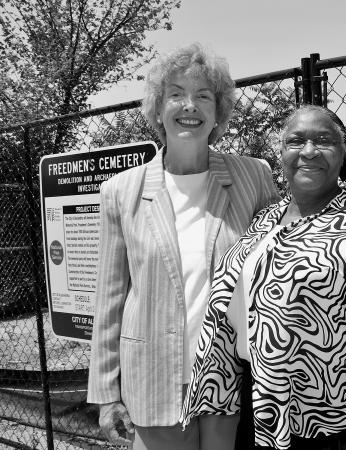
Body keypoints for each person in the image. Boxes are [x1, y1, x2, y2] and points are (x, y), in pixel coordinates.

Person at [181, 105, 346, 450]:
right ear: (281, 154)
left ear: (343, 153)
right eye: (296, 141)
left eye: (323, 140)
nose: (308, 151)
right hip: (254, 405)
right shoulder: (265, 220)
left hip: (327, 423)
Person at [87, 42, 279, 450]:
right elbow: (109, 299)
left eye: (203, 96)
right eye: (175, 93)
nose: (188, 105)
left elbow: (280, 265)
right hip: (153, 374)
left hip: (229, 376)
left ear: (218, 113)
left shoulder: (254, 178)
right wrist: (106, 393)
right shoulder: (121, 191)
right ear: (158, 109)